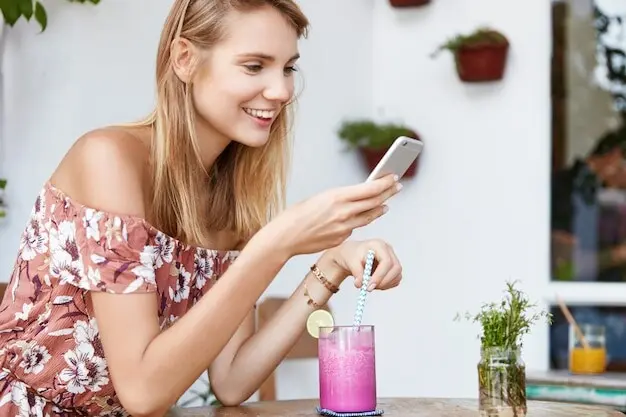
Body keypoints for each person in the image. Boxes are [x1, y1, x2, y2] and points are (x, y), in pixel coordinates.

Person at [0, 1, 404, 416]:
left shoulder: (228, 205)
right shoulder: (108, 160)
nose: (282, 91)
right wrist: (276, 244)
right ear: (185, 59)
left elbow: (232, 379)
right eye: (254, 66)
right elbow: (142, 392)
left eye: (287, 68)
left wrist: (331, 265)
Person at [551, 124, 626, 282]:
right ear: (615, 157)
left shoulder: (599, 195)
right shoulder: (568, 191)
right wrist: (618, 254)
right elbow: (564, 268)